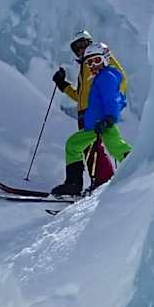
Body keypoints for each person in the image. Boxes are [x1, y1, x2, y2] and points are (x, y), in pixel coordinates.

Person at [50, 42, 131, 198]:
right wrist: (62, 84)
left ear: (106, 59)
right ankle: (74, 184)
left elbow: (112, 99)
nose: (93, 65)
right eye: (89, 62)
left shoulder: (107, 76)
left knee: (113, 146)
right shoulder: (97, 77)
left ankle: (139, 168)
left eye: (96, 61)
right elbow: (81, 96)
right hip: (94, 123)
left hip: (103, 122)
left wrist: (109, 118)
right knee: (76, 145)